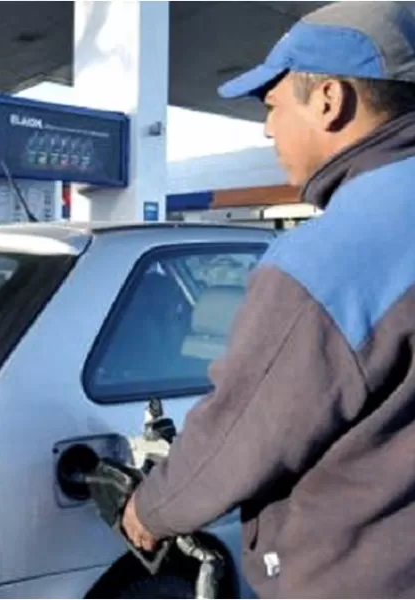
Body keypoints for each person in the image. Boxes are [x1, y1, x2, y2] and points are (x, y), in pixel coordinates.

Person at [121, 1, 415, 598]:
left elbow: (241, 434)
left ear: (329, 100)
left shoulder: (335, 254)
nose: (266, 129)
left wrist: (149, 510)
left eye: (273, 105)